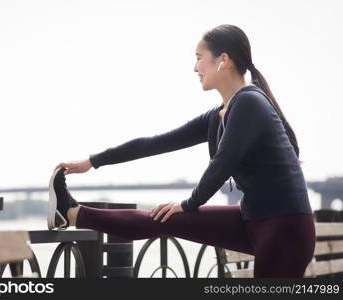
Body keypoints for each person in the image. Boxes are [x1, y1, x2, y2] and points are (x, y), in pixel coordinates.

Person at [50, 24, 316, 278]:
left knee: (173, 213)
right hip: (253, 219)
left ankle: (74, 213)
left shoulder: (250, 102)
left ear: (223, 60)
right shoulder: (218, 116)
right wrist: (93, 162)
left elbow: (223, 162)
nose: (194, 68)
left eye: (199, 58)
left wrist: (188, 204)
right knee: (162, 219)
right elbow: (154, 143)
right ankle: (72, 213)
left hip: (285, 227)